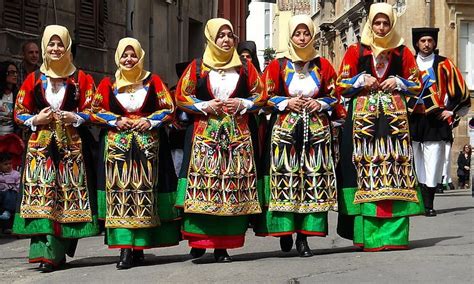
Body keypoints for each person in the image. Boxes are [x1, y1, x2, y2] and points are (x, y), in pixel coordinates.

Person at [175, 18, 265, 262]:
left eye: (230, 35)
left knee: (231, 192)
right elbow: (182, 96)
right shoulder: (198, 67)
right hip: (205, 138)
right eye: (220, 36)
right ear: (211, 39)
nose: (226, 40)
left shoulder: (245, 68)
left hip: (237, 139)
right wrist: (206, 105)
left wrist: (242, 103)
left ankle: (223, 246)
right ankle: (199, 240)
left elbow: (261, 95)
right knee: (204, 191)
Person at [335, 3, 424, 251]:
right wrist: (359, 79)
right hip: (362, 124)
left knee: (395, 171)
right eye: (377, 22)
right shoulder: (356, 50)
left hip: (394, 124)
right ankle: (368, 236)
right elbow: (339, 85)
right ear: (370, 24)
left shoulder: (402, 52)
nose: (382, 27)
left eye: (386, 23)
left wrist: (398, 81)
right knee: (364, 172)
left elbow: (417, 83)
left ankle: (394, 236)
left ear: (392, 24)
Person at [12, 25, 98, 272]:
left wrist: (76, 117)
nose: (56, 48)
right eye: (51, 44)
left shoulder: (81, 78)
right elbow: (19, 112)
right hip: (40, 149)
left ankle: (57, 252)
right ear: (44, 48)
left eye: (60, 44)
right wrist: (35, 120)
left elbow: (93, 110)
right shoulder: (34, 79)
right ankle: (46, 253)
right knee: (42, 199)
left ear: (68, 47)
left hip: (71, 148)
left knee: (68, 200)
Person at [253, 15, 338, 257]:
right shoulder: (278, 65)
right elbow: (263, 96)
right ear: (291, 36)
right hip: (285, 132)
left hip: (316, 133)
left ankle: (304, 238)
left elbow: (335, 95)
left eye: (306, 34)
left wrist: (319, 104)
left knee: (312, 181)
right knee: (286, 181)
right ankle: (285, 230)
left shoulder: (322, 65)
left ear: (312, 36)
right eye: (298, 34)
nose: (302, 38)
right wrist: (286, 101)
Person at [91, 37, 179, 269]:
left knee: (144, 197)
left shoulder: (153, 81)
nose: (128, 60)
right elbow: (94, 111)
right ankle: (125, 250)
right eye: (124, 55)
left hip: (147, 151)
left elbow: (168, 109)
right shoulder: (108, 84)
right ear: (117, 58)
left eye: (132, 55)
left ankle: (140, 246)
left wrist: (149, 121)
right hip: (116, 153)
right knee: (120, 198)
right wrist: (116, 120)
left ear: (140, 57)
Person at [408, 27, 470, 215]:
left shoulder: (444, 64)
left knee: (434, 160)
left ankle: (429, 203)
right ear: (417, 43)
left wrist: (450, 111)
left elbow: (460, 91)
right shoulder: (408, 63)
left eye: (429, 41)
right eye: (422, 41)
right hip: (413, 118)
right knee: (413, 160)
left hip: (436, 119)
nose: (426, 44)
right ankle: (417, 202)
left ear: (434, 43)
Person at [0, 152, 20, 233]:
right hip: (1, 194)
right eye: (5, 164)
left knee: (10, 193)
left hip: (12, 195)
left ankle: (7, 211)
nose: (9, 165)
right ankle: (5, 226)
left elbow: (19, 185)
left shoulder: (15, 174)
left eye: (10, 163)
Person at [0, 61, 19, 136]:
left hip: (11, 138)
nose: (15, 75)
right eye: (11, 72)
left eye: (16, 72)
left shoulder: (17, 94)